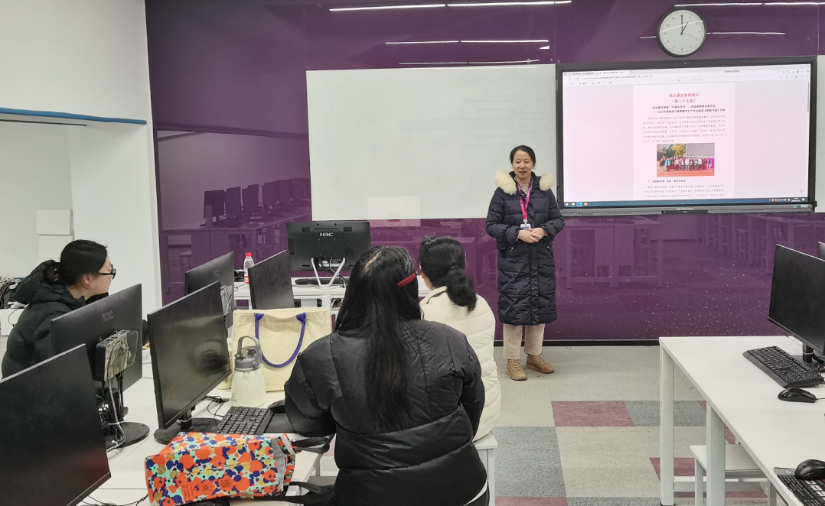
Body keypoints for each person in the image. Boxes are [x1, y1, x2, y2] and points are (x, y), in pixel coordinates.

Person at [284, 246, 488, 506]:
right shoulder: (451, 339)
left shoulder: (320, 357)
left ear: (353, 292)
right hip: (467, 494)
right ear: (411, 290)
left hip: (372, 497)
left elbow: (305, 424)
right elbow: (472, 413)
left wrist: (350, 418)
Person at [485, 145, 564, 381]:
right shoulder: (502, 192)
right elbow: (490, 225)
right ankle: (513, 360)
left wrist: (544, 230)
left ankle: (534, 356)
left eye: (526, 161)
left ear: (533, 164)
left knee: (538, 307)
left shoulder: (544, 191)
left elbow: (558, 220)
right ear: (512, 164)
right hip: (514, 261)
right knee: (514, 310)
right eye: (517, 161)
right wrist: (517, 233)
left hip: (541, 259)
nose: (522, 166)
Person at [418, 236, 501, 441]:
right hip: (487, 411)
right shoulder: (480, 303)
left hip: (452, 423)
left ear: (422, 272)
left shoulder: (426, 314)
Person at [1, 240, 115, 378]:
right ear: (87, 280)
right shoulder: (53, 315)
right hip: (27, 387)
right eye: (109, 271)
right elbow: (62, 370)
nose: (111, 276)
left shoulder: (76, 297)